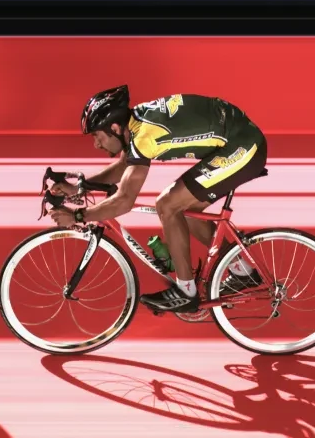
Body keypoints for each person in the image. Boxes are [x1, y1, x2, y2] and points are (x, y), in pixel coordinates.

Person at [51, 86, 265, 314]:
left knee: (167, 205)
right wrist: (78, 189)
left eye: (97, 135)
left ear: (114, 127)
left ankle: (186, 292)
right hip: (239, 138)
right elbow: (124, 166)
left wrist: (79, 216)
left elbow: (124, 200)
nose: (96, 144)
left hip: (243, 146)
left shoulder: (143, 136)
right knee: (185, 209)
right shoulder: (136, 124)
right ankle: (242, 273)